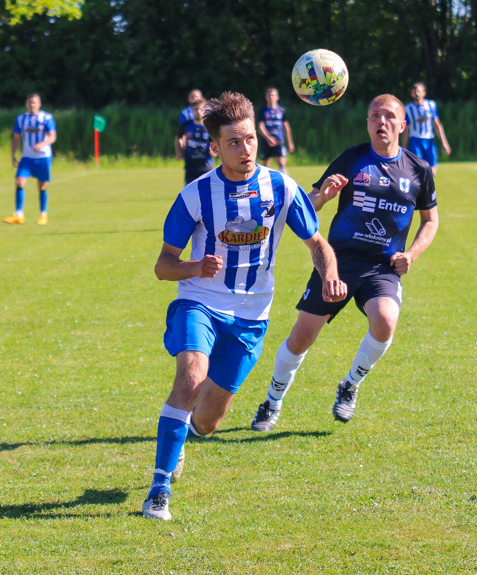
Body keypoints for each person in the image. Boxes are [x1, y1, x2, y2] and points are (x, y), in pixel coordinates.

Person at [143, 91, 347, 521]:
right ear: (214, 147)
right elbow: (163, 267)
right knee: (191, 376)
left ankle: (182, 441)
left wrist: (329, 272)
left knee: (210, 420)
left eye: (250, 139)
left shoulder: (281, 187)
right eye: (233, 142)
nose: (246, 149)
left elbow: (317, 243)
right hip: (201, 302)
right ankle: (159, 488)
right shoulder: (196, 196)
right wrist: (195, 267)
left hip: (252, 315)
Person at [250, 94, 439, 432]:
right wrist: (323, 196)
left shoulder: (418, 170)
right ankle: (272, 401)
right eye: (374, 115)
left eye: (389, 117)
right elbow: (306, 207)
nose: (381, 122)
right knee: (301, 337)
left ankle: (350, 384)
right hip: (336, 262)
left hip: (382, 267)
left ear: (403, 125)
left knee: (384, 321)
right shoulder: (351, 160)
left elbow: (430, 220)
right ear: (367, 122)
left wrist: (411, 254)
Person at [4, 94, 57, 225]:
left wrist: (43, 144)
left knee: (42, 186)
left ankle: (43, 214)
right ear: (26, 104)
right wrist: (13, 153)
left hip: (43, 157)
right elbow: (16, 138)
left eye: (34, 102)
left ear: (39, 104)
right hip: (27, 158)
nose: (32, 105)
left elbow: (52, 136)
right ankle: (18, 214)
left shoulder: (46, 118)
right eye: (29, 103)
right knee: (19, 182)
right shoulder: (21, 119)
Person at [401, 82, 451, 176]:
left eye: (418, 91)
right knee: (418, 169)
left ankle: (429, 190)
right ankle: (420, 190)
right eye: (414, 91)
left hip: (429, 140)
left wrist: (444, 142)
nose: (416, 93)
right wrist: (404, 146)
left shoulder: (431, 105)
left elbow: (437, 125)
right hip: (415, 140)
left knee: (432, 171)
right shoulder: (408, 108)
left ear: (424, 93)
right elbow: (405, 129)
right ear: (411, 94)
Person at [257, 87, 295, 173]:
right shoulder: (262, 111)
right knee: (265, 166)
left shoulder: (281, 110)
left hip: (279, 140)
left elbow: (286, 126)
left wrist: (289, 142)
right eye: (269, 95)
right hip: (266, 141)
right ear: (266, 97)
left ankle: (284, 183)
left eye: (272, 95)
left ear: (277, 97)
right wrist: (268, 138)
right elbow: (260, 126)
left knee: (282, 164)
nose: (271, 97)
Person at [178, 99, 215, 184]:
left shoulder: (210, 127)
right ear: (192, 110)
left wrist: (214, 152)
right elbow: (179, 137)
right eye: (196, 109)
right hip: (190, 168)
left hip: (206, 167)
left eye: (201, 109)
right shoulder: (186, 125)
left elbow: (216, 144)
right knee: (189, 195)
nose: (198, 112)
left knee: (206, 195)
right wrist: (180, 145)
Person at [174, 89, 204, 160]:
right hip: (191, 141)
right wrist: (182, 141)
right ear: (189, 99)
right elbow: (182, 131)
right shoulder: (185, 113)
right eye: (192, 97)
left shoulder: (208, 110)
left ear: (201, 98)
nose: (194, 98)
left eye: (195, 96)